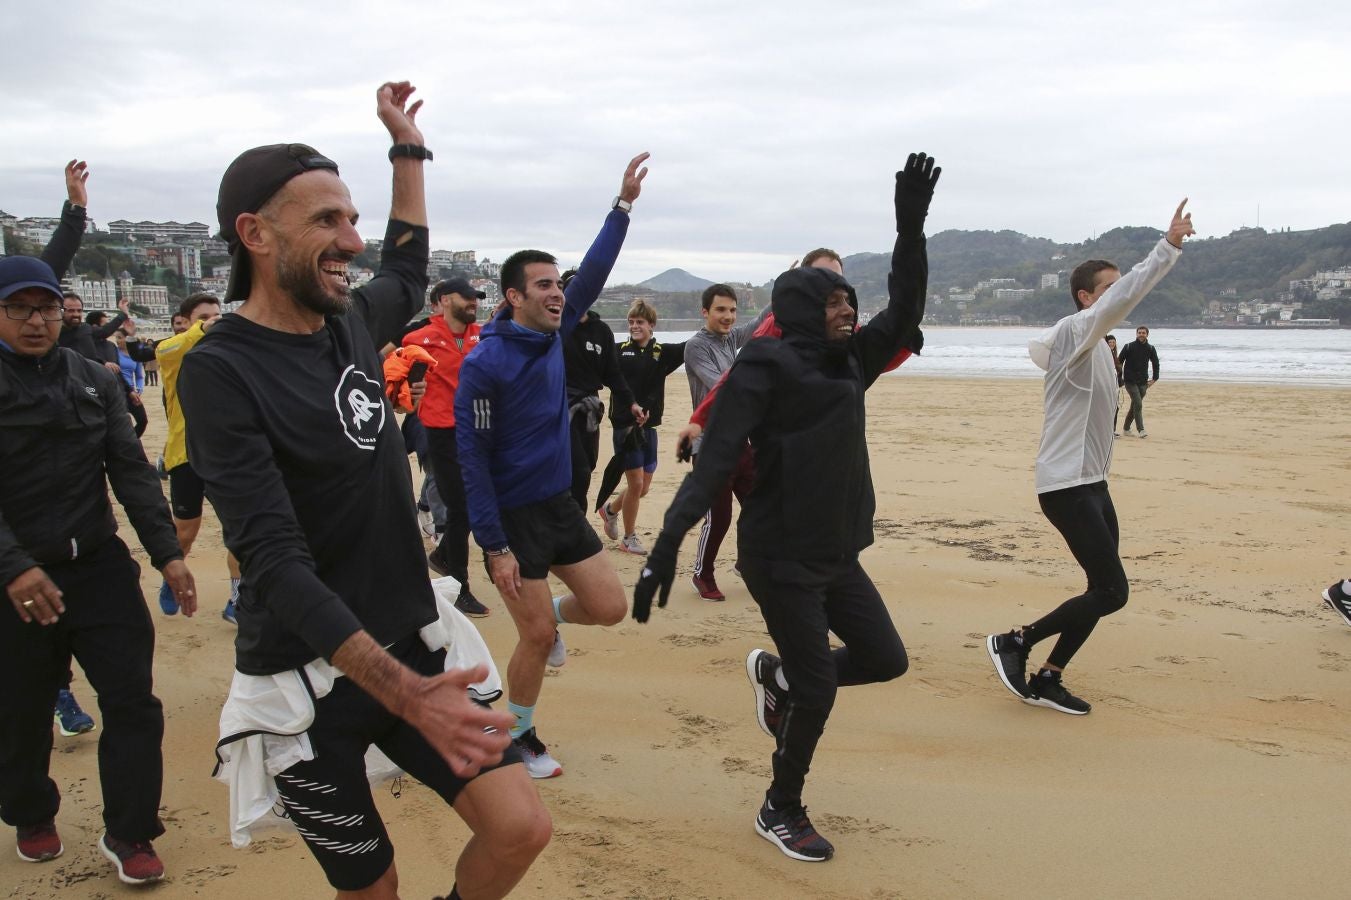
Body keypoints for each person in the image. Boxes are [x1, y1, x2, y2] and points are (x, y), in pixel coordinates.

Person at [179, 82, 548, 900]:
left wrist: (406, 149)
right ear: (255, 234)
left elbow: (407, 260)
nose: (351, 239)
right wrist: (405, 695)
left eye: (352, 219)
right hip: (302, 689)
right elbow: (271, 558)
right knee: (370, 890)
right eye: (325, 222)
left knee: (522, 827)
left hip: (411, 640)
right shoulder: (219, 371)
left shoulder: (347, 317)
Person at [634, 153, 938, 863]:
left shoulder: (851, 359)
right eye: (832, 302)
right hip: (778, 559)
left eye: (849, 301)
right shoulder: (764, 366)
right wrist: (663, 549)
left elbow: (909, 302)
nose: (847, 310)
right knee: (820, 690)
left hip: (835, 554)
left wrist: (909, 224)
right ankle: (780, 807)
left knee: (884, 659)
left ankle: (777, 675)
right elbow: (712, 464)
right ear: (799, 307)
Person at [0, 254, 196, 885]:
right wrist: (15, 567)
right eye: (20, 309)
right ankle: (32, 812)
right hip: (15, 579)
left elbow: (130, 471)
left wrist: (168, 554)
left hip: (99, 568)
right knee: (21, 706)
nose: (37, 321)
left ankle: (130, 830)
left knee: (133, 701)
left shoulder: (93, 377)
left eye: (48, 307)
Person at [456, 152, 649, 779]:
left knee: (610, 607)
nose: (557, 293)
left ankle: (550, 621)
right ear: (514, 296)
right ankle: (518, 736)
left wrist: (621, 206)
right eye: (543, 285)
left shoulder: (556, 335)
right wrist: (493, 546)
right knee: (533, 638)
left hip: (558, 504)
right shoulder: (486, 364)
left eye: (558, 285)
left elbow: (593, 270)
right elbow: (472, 460)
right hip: (511, 520)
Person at [986, 200, 1194, 715]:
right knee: (1113, 591)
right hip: (1065, 486)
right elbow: (1122, 297)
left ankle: (1050, 676)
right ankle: (1016, 641)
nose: (1116, 297)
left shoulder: (1103, 347)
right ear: (1086, 298)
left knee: (1100, 588)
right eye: (1106, 289)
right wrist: (1166, 249)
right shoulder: (1076, 335)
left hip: (1093, 485)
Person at [403, 277, 491, 617]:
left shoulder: (480, 336)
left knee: (478, 503)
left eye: (476, 298)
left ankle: (442, 557)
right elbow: (397, 376)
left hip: (478, 430)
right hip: (441, 432)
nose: (473, 302)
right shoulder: (420, 339)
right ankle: (460, 587)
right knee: (460, 509)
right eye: (467, 297)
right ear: (443, 300)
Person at [154, 292, 242, 622]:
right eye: (203, 317)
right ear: (187, 322)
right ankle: (171, 577)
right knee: (185, 532)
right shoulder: (173, 352)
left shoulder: (229, 354)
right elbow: (165, 350)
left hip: (226, 457)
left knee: (239, 530)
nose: (212, 321)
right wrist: (204, 330)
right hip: (186, 456)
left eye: (216, 315)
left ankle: (237, 599)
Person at [683, 283, 770, 599]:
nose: (728, 316)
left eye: (732, 310)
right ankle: (702, 574)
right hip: (709, 446)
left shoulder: (731, 339)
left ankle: (747, 563)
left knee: (760, 507)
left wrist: (788, 290)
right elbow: (720, 384)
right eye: (720, 310)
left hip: (740, 443)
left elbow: (760, 321)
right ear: (705, 312)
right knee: (718, 517)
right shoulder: (696, 347)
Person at [594, 299, 685, 555]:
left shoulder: (662, 353)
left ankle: (610, 511)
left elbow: (692, 346)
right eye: (631, 322)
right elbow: (593, 366)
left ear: (652, 325)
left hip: (650, 428)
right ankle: (629, 537)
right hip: (625, 427)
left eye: (640, 322)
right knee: (634, 484)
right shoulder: (618, 351)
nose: (634, 326)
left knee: (643, 487)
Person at [563, 293, 641, 514]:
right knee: (575, 470)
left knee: (587, 467)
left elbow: (613, 374)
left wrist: (631, 403)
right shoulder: (556, 328)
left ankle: (574, 520)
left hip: (590, 410)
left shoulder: (601, 331)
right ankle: (576, 526)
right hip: (561, 407)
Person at [1118, 325, 1159, 437]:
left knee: (1135, 405)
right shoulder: (1128, 347)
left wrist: (1154, 379)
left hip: (1143, 382)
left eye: (1143, 333)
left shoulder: (1150, 348)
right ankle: (1141, 430)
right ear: (1136, 334)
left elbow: (1155, 363)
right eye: (1139, 332)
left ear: (1147, 335)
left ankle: (1126, 429)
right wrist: (1119, 377)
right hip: (1129, 381)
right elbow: (1119, 363)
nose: (1141, 334)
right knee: (1138, 403)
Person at [1105, 333, 1123, 436]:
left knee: (1115, 408)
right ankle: (1109, 430)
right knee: (1111, 408)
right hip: (1108, 386)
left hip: (1115, 385)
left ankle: (1112, 430)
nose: (1112, 344)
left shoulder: (1115, 354)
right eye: (1110, 342)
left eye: (1113, 342)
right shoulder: (1106, 355)